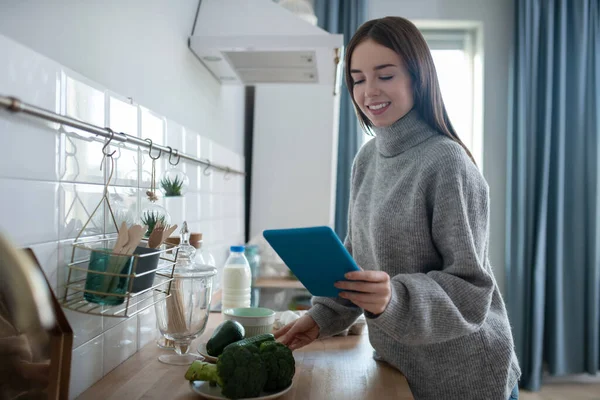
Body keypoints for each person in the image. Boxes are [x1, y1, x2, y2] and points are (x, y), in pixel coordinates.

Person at [274, 16, 521, 400]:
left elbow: (471, 291)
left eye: (385, 75)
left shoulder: (446, 161)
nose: (369, 90)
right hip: (399, 367)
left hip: (465, 378)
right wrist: (321, 318)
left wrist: (395, 297)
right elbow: (355, 262)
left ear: (417, 78)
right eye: (357, 78)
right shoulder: (367, 159)